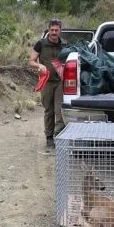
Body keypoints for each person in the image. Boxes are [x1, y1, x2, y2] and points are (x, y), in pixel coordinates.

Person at [29, 19, 67, 148]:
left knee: (60, 111)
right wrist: (39, 65)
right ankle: (49, 137)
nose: (54, 32)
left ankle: (59, 136)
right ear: (48, 30)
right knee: (49, 111)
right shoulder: (40, 44)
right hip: (46, 82)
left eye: (56, 30)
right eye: (52, 30)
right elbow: (31, 61)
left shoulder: (65, 46)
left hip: (61, 83)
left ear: (60, 31)